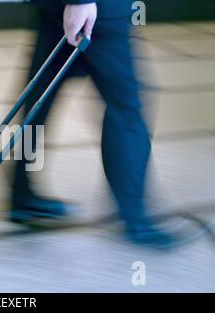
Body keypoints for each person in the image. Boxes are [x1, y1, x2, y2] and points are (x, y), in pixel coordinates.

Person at [10, 0, 175, 248]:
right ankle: (135, 216)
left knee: (39, 98)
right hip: (97, 10)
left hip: (60, 7)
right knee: (126, 109)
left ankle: (21, 194)